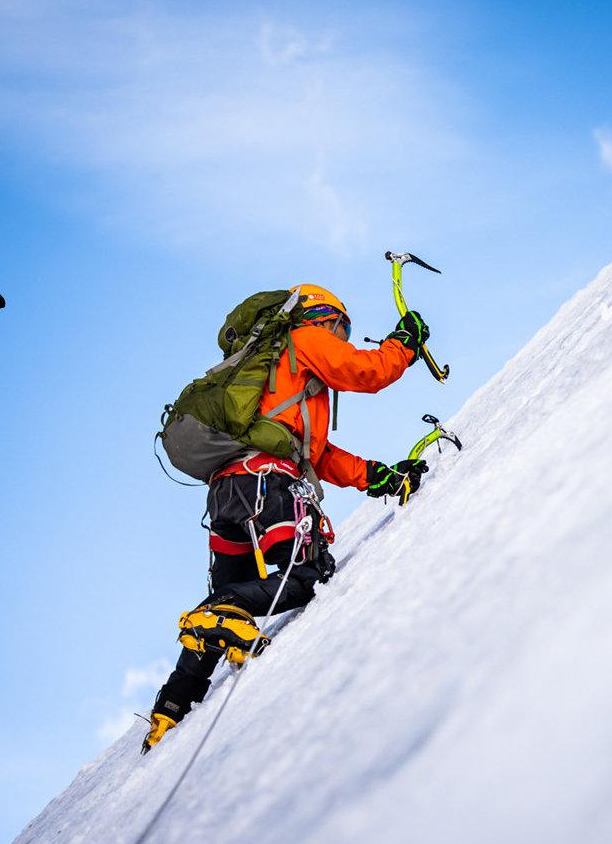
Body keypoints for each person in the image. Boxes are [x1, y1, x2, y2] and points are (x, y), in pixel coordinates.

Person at [142, 284, 431, 752]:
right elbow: (367, 371)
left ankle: (170, 709)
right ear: (324, 317)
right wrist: (405, 343)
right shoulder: (303, 338)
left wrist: (376, 476)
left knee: (228, 604)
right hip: (267, 486)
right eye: (342, 328)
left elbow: (313, 454)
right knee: (310, 574)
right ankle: (214, 615)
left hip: (228, 493)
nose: (343, 338)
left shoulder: (276, 378)